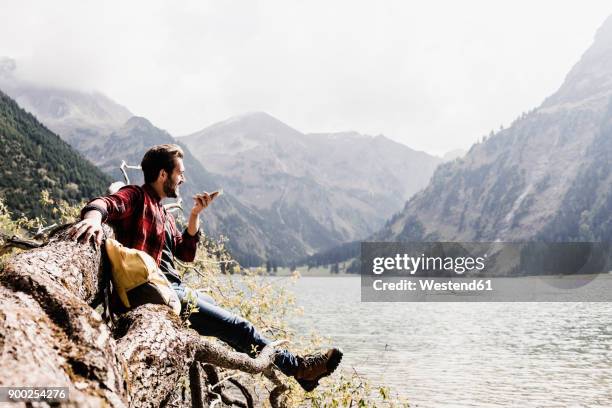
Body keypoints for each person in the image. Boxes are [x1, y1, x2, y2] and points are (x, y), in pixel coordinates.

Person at [69, 144, 342, 392]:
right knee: (239, 326)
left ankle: (292, 367)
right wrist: (93, 221)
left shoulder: (163, 212)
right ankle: (300, 368)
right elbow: (104, 204)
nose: (183, 178)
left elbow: (185, 252)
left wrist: (194, 215)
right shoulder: (137, 197)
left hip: (173, 290)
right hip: (159, 293)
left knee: (229, 320)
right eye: (180, 173)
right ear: (163, 174)